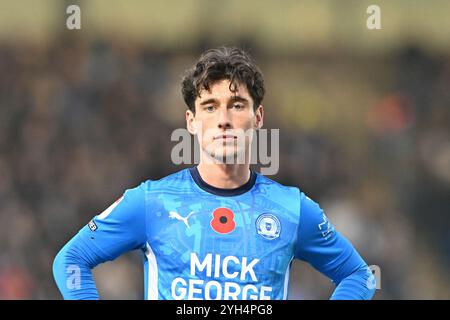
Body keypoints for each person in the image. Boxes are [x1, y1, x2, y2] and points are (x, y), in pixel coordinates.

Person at [53, 47, 376, 300]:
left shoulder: (292, 209)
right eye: (209, 106)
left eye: (236, 105)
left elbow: (359, 276)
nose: (223, 119)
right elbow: (72, 259)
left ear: (258, 116)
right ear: (191, 121)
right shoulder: (152, 201)